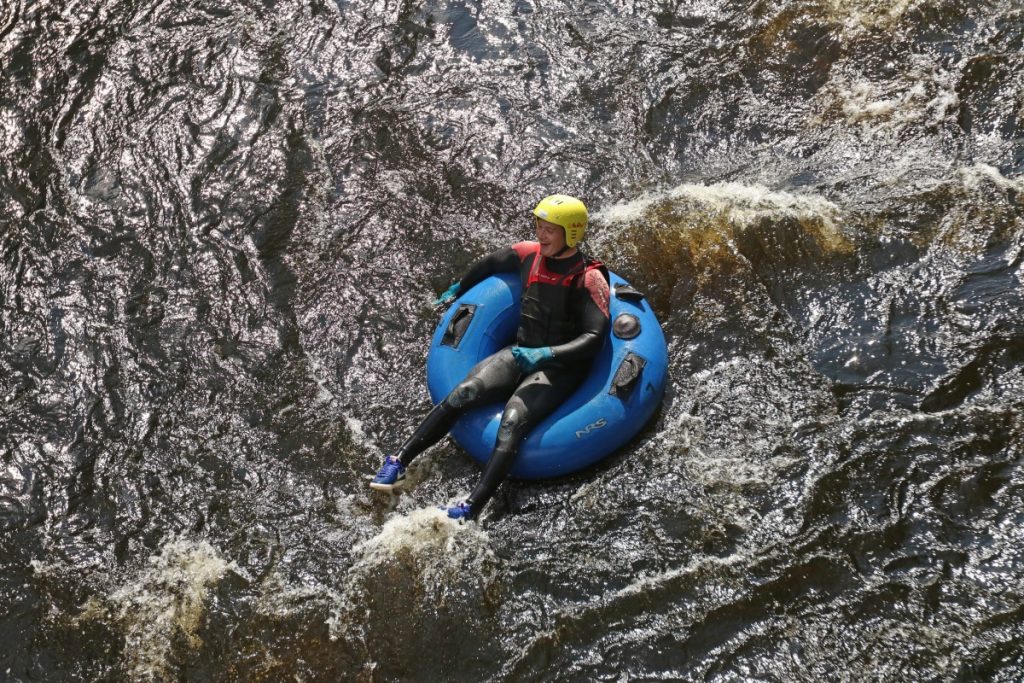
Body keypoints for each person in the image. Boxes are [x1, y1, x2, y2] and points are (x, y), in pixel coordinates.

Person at [369, 194, 611, 521]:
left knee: (512, 421)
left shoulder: (589, 277)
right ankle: (397, 462)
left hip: (559, 367)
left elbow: (594, 338)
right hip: (520, 351)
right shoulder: (529, 255)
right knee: (463, 392)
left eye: (550, 229)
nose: (541, 234)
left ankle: (471, 507)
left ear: (571, 232)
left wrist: (545, 354)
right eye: (539, 225)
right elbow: (491, 263)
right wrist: (459, 287)